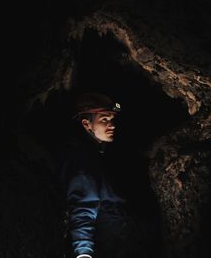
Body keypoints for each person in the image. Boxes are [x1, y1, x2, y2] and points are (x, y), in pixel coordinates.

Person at [61, 92, 162, 258]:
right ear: (87, 124)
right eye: (104, 119)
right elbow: (82, 210)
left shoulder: (94, 154)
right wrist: (84, 253)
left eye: (112, 118)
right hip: (106, 245)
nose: (112, 124)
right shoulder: (83, 162)